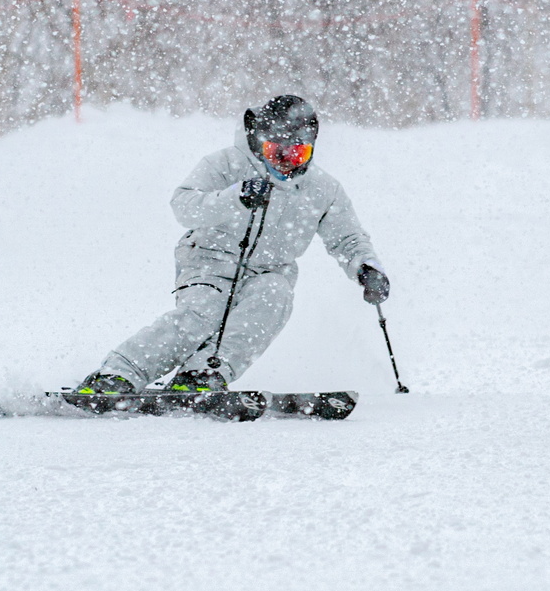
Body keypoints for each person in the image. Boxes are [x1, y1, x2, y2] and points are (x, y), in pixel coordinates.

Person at [71, 94, 388, 410]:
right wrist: (235, 198)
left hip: (269, 270)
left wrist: (367, 268)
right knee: (202, 315)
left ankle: (201, 375)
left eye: (298, 152)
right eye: (275, 151)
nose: (285, 161)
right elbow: (183, 206)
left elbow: (348, 239)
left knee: (274, 297)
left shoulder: (323, 189)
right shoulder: (226, 164)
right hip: (208, 261)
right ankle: (117, 374)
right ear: (259, 141)